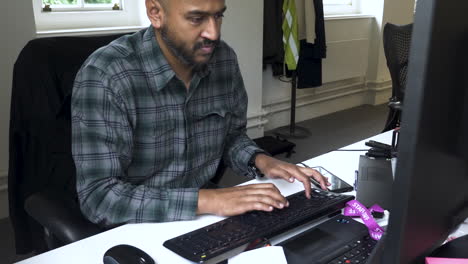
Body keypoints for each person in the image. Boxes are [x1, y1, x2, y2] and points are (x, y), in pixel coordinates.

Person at [71, 0, 330, 228]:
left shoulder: (223, 59)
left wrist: (260, 160)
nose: (213, 33)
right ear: (155, 13)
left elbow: (230, 137)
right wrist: (209, 199)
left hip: (205, 214)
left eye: (218, 15)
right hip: (135, 223)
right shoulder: (107, 74)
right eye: (197, 18)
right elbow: (99, 198)